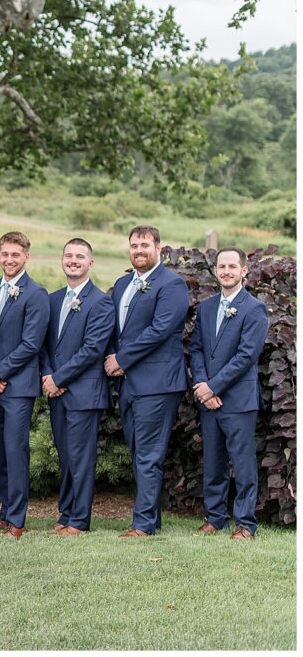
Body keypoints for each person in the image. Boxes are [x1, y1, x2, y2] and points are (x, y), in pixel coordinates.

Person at [105, 226, 189, 538]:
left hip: (157, 383)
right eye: (133, 245)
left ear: (158, 248)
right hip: (127, 383)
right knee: (139, 450)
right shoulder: (123, 283)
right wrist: (112, 355)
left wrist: (121, 359)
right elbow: (113, 329)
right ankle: (151, 519)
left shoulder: (172, 284)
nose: (138, 250)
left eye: (144, 245)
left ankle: (142, 525)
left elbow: (160, 330)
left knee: (149, 454)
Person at [188, 247, 268, 540]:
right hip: (208, 399)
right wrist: (202, 385)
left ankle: (246, 523)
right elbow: (196, 348)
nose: (226, 271)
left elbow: (246, 356)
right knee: (213, 462)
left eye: (232, 266)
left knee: (243, 463)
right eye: (221, 266)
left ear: (244, 270)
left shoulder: (254, 308)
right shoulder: (207, 307)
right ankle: (215, 518)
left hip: (238, 400)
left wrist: (214, 386)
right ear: (215, 270)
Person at [39, 239, 115, 536]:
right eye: (69, 255)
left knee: (81, 459)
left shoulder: (100, 301)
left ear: (90, 263)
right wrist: (47, 375)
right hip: (56, 390)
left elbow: (92, 349)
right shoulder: (53, 299)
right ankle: (66, 512)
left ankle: (80, 520)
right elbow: (43, 345)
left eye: (80, 256)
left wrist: (59, 379)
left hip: (84, 393)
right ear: (62, 260)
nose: (73, 260)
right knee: (66, 456)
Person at [0, 232, 49, 539]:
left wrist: (0, 373)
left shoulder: (36, 293)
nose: (9, 260)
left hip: (18, 386)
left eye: (15, 255)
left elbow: (31, 343)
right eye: (5, 254)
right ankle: (5, 510)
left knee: (15, 449)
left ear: (26, 257)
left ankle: (18, 519)